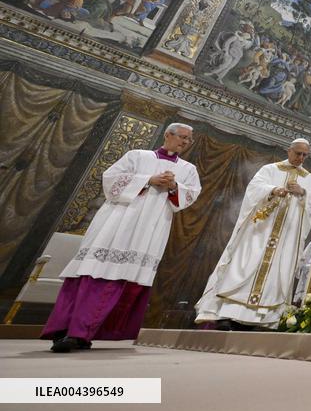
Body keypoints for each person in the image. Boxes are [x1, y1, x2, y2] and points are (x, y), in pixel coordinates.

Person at [42, 124, 201, 352]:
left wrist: (174, 186)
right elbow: (111, 181)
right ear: (168, 135)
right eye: (182, 137)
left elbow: (190, 195)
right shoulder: (137, 155)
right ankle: (66, 330)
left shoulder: (189, 169)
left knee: (123, 278)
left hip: (150, 229)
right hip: (116, 223)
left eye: (189, 140)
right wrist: (148, 180)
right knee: (92, 272)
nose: (185, 142)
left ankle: (84, 333)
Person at [194, 139, 311, 330]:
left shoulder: (309, 179)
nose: (301, 158)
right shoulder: (271, 169)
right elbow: (254, 189)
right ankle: (228, 314)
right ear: (289, 151)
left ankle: (260, 319)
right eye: (298, 153)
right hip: (260, 232)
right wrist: (273, 190)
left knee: (275, 272)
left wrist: (303, 192)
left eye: (305, 155)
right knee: (245, 265)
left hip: (286, 236)